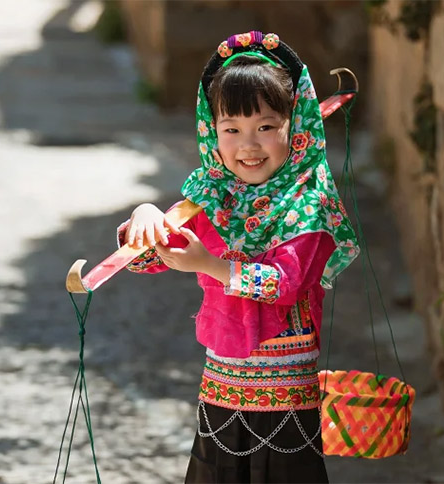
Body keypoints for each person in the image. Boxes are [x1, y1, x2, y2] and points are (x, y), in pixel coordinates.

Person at [117, 31, 359, 484]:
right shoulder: (211, 195)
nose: (248, 145)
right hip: (222, 384)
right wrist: (146, 217)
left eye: (266, 127)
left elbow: (282, 283)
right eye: (231, 130)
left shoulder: (308, 203)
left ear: (295, 126)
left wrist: (208, 264)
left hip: (285, 392)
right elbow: (147, 256)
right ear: (212, 132)